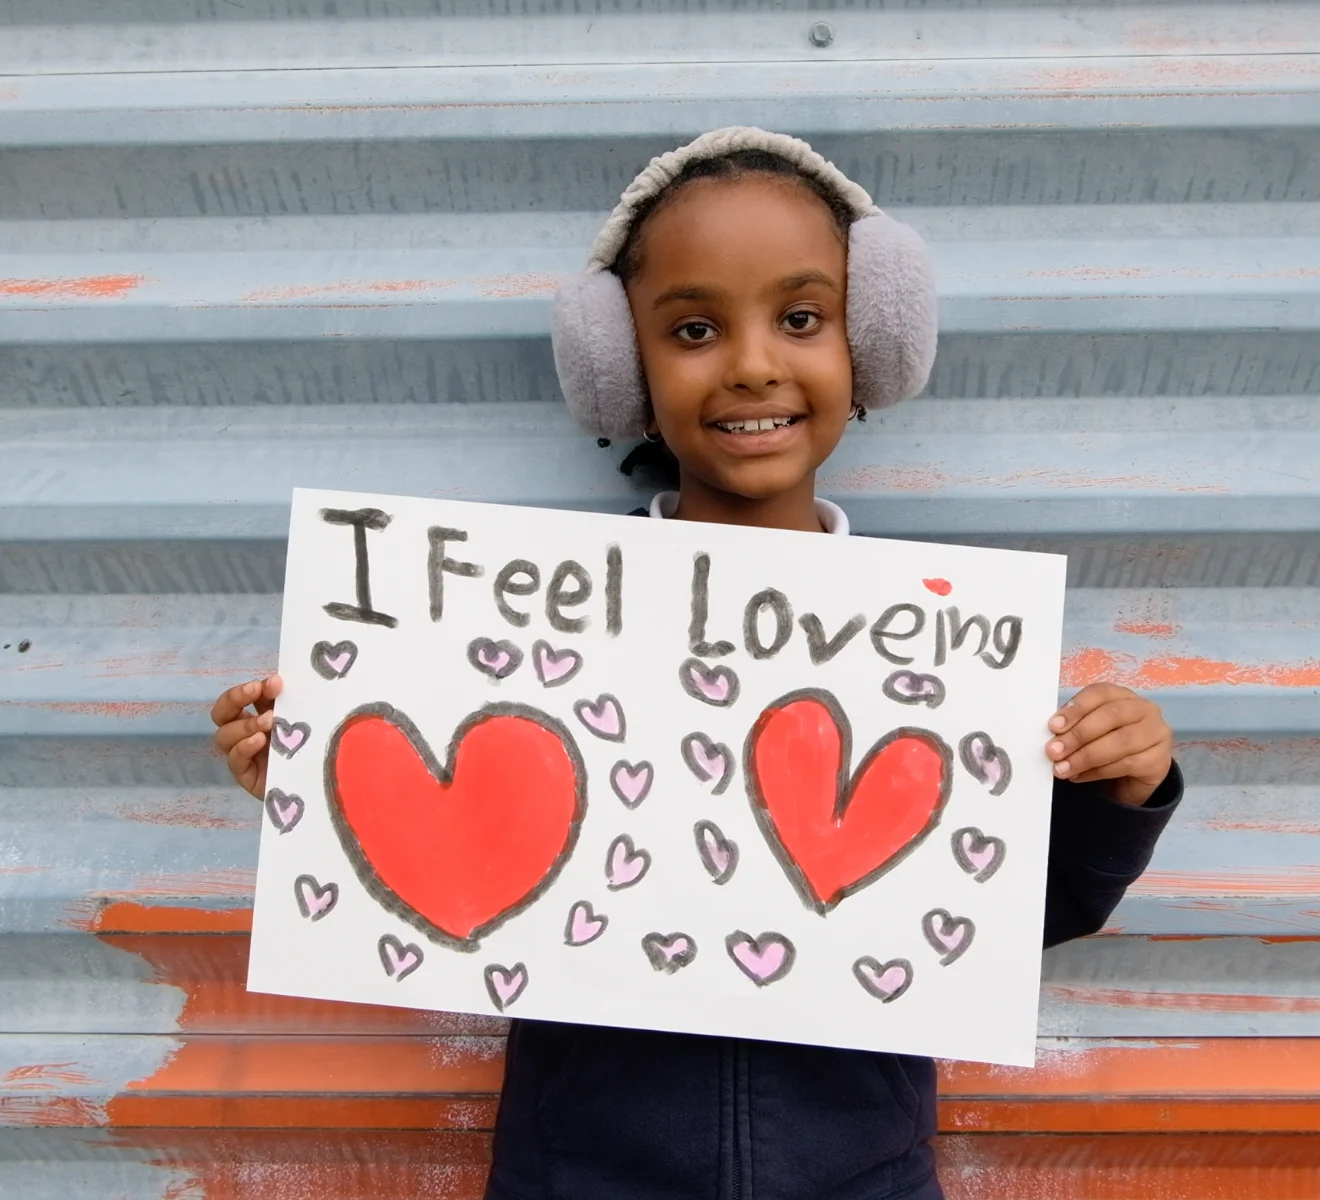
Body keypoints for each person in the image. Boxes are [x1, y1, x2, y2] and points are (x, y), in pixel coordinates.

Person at [212, 129, 1181, 1200]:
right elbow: (458, 854)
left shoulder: (939, 652)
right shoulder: (529, 632)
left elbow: (1000, 922)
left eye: (801, 318)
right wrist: (312, 769)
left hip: (863, 1179)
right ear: (619, 364)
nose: (754, 363)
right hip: (579, 1176)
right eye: (694, 329)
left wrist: (1117, 794)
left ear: (875, 341)